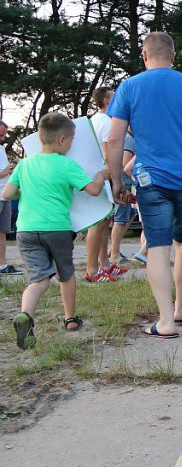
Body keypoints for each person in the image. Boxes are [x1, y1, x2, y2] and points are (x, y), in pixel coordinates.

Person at [106, 31, 182, 339]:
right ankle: (181, 307)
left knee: (158, 246)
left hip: (152, 179)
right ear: (173, 56)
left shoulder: (129, 87)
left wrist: (117, 179)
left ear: (144, 55)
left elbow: (116, 138)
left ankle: (165, 321)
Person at [4, 113, 109, 349]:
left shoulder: (25, 163)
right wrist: (102, 175)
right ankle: (70, 319)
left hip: (27, 231)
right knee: (66, 273)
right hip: (57, 229)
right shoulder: (66, 164)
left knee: (39, 279)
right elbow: (93, 190)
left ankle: (26, 315)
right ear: (62, 140)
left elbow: (7, 194)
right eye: (71, 140)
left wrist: (27, 193)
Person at [85, 86, 125, 282]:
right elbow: (109, 152)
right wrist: (116, 178)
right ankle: (93, 270)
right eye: (114, 97)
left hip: (95, 173)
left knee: (104, 220)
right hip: (103, 174)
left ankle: (104, 264)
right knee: (99, 221)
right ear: (107, 101)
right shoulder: (108, 122)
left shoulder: (93, 120)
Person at [108, 130, 137, 264]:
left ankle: (112, 249)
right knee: (120, 220)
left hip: (121, 182)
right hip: (124, 183)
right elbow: (125, 162)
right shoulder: (129, 139)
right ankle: (115, 254)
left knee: (130, 214)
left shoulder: (123, 137)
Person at [0, 119, 20, 275]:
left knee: (3, 231)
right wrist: (4, 172)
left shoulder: (1, 149)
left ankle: (2, 265)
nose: (2, 138)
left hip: (4, 196)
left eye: (4, 135)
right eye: (0, 134)